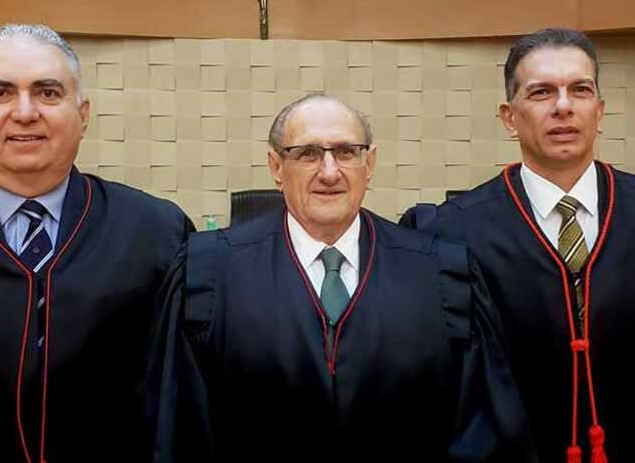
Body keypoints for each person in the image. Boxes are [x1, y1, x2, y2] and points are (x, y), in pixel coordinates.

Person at [147, 93, 536, 462]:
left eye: (347, 152)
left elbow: (481, 429)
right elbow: (180, 427)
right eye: (308, 154)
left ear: (369, 165)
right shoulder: (209, 273)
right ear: (276, 167)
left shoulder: (441, 272)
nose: (330, 172)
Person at [0, 24, 194, 462]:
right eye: (1, 93)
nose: (24, 111)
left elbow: (184, 395)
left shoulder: (156, 233)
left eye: (48, 93)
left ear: (83, 112)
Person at [400, 28, 635, 462]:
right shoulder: (448, 234)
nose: (563, 106)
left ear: (599, 111)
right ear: (509, 117)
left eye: (580, 90)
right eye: (542, 92)